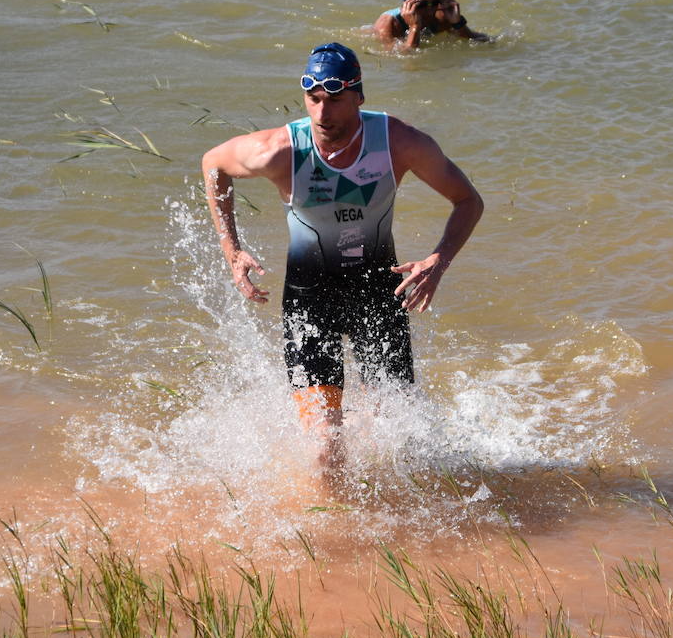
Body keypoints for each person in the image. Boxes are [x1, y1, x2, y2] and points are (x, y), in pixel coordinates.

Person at [200, 42, 484, 463]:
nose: (322, 114)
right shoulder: (280, 151)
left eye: (334, 101)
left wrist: (437, 260)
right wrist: (232, 249)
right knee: (323, 450)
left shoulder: (398, 142)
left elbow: (468, 201)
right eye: (313, 100)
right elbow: (214, 164)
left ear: (359, 97)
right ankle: (328, 527)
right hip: (309, 301)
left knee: (396, 443)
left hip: (378, 296)